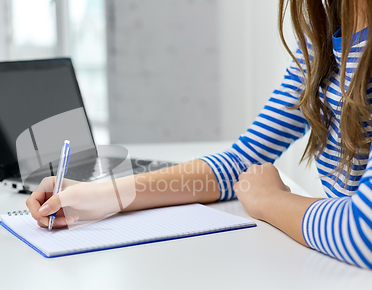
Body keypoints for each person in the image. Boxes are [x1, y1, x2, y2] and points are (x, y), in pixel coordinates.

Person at [27, 0, 372, 269]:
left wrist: (271, 200)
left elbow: (363, 233)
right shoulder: (322, 41)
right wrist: (101, 197)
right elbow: (241, 161)